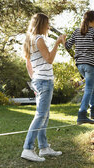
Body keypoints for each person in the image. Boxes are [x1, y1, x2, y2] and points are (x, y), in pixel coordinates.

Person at [21, 13, 65, 162]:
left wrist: (34, 81)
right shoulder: (39, 39)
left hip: (39, 81)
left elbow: (28, 64)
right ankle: (28, 148)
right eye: (47, 23)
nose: (49, 26)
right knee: (41, 115)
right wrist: (58, 43)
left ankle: (44, 147)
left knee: (44, 115)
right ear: (42, 24)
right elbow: (50, 59)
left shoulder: (29, 40)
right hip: (44, 81)